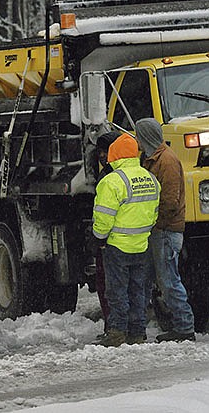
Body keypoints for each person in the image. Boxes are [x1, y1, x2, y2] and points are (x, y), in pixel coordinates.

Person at [89, 133, 159, 347]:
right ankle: (137, 333)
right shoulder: (149, 177)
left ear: (114, 153)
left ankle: (117, 333)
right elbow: (154, 212)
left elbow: (103, 216)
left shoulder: (112, 181)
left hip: (117, 246)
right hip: (142, 244)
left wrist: (99, 238)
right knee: (139, 291)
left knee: (117, 292)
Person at [135, 118, 195, 342]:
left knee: (169, 281)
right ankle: (137, 326)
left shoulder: (166, 161)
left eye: (139, 136)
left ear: (147, 136)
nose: (137, 141)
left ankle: (185, 327)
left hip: (165, 231)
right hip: (158, 231)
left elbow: (169, 202)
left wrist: (151, 221)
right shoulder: (153, 158)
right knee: (145, 280)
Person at [92, 131, 121, 339]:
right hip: (122, 241)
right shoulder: (115, 173)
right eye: (99, 152)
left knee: (110, 286)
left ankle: (114, 328)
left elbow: (105, 212)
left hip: (112, 242)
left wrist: (98, 239)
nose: (102, 156)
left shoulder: (110, 177)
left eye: (105, 151)